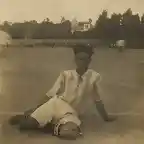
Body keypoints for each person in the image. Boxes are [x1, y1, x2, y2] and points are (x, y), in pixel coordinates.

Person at [9, 44, 116, 139]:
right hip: (57, 104)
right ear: (75, 59)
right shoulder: (66, 74)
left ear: (89, 60)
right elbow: (51, 94)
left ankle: (50, 125)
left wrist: (106, 117)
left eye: (85, 59)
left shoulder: (95, 77)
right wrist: (39, 108)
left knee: (69, 134)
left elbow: (98, 100)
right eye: (79, 59)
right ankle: (31, 117)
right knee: (25, 126)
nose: (81, 62)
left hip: (72, 112)